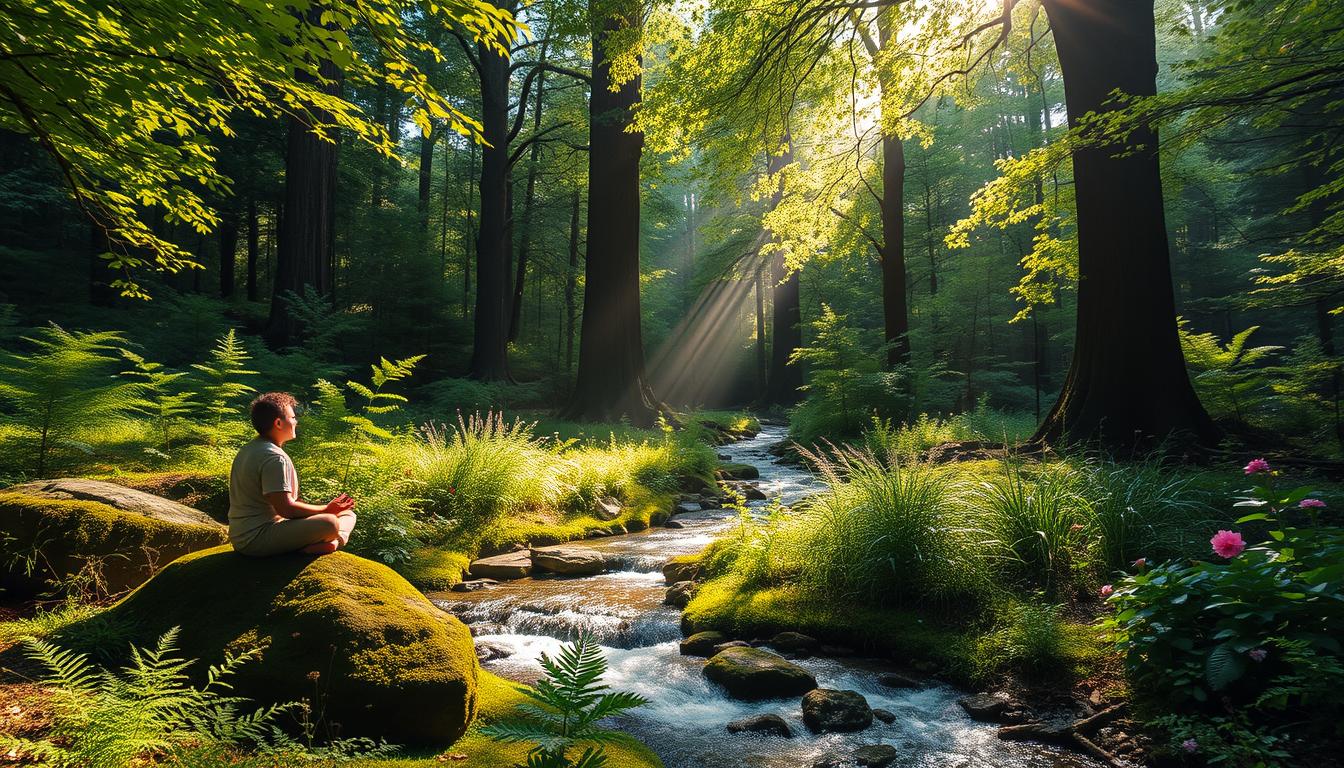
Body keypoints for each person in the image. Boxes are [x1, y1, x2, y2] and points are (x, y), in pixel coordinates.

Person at [228, 392, 357, 556]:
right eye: (293, 417)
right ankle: (333, 541)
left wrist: (327, 509)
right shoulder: (274, 457)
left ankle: (334, 541)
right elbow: (286, 509)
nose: (296, 422)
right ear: (278, 423)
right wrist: (327, 509)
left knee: (347, 514)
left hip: (243, 536)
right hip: (256, 538)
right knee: (330, 522)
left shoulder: (250, 448)